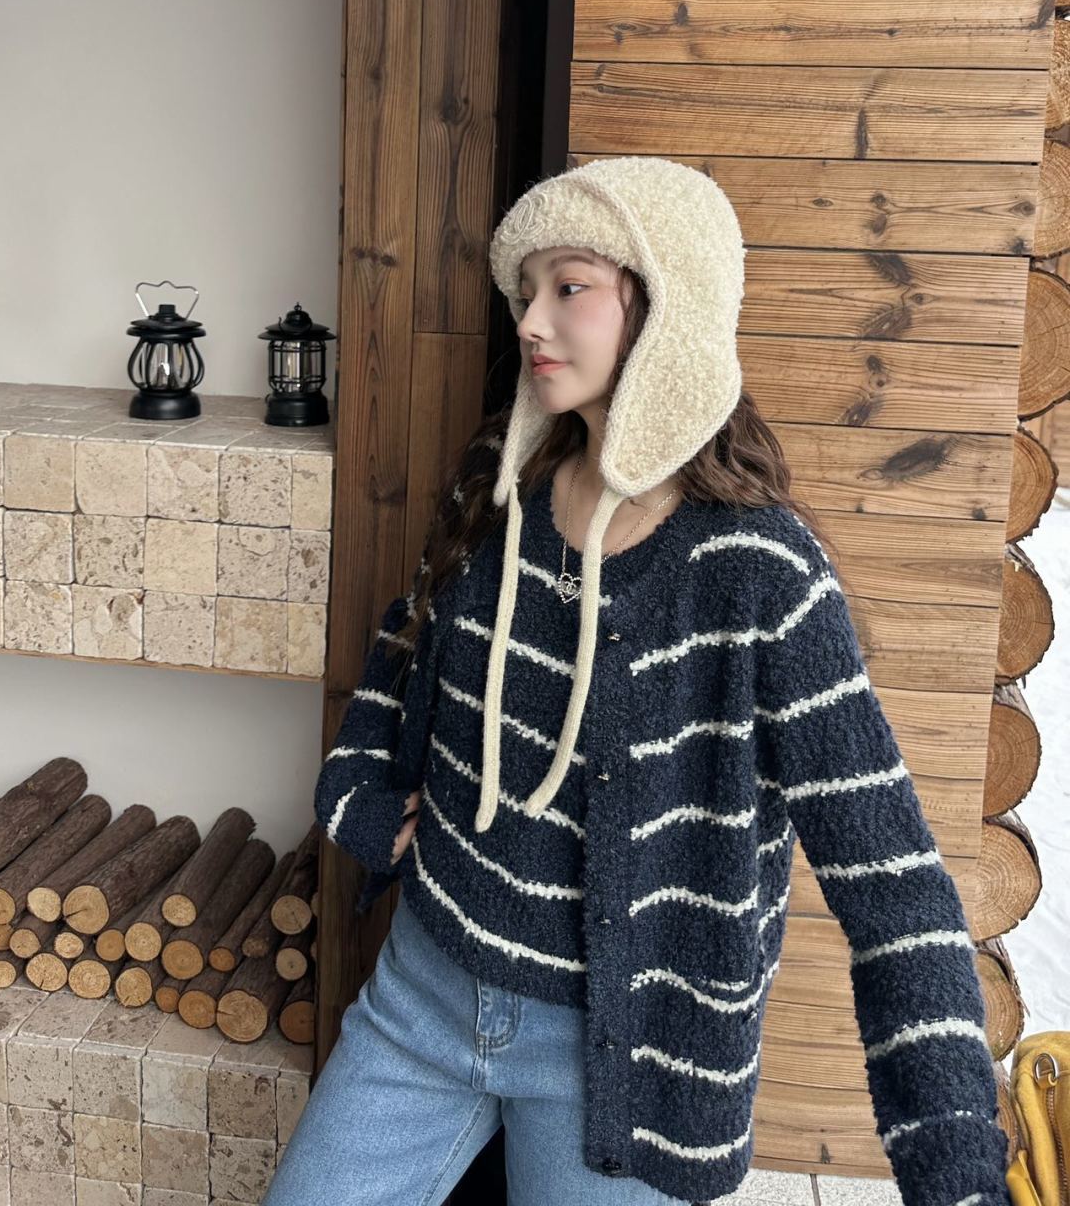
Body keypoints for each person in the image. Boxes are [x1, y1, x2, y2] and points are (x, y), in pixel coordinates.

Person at [263, 157, 1012, 1205]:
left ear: (670, 310)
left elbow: (893, 887)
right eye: (527, 291)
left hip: (620, 1064)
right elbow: (407, 639)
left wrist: (958, 1174)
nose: (532, 322)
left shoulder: (761, 576)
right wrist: (358, 797)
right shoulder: (500, 487)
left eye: (569, 287)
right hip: (421, 998)